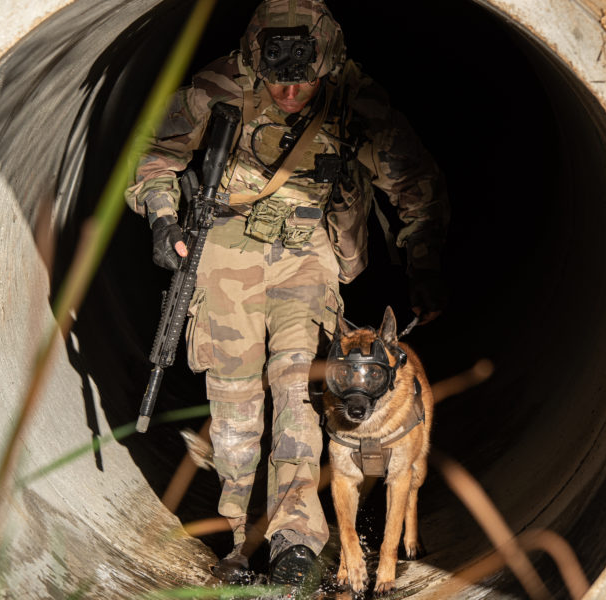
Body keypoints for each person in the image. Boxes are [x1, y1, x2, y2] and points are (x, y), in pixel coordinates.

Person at [125, 0, 449, 586]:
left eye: (304, 80)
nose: (291, 92)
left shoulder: (354, 96)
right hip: (226, 249)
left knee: (301, 392)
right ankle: (237, 536)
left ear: (326, 63)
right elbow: (155, 157)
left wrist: (423, 261)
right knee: (233, 402)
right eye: (278, 80)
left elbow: (411, 181)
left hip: (309, 252)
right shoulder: (217, 84)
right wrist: (163, 217)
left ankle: (295, 542)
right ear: (257, 62)